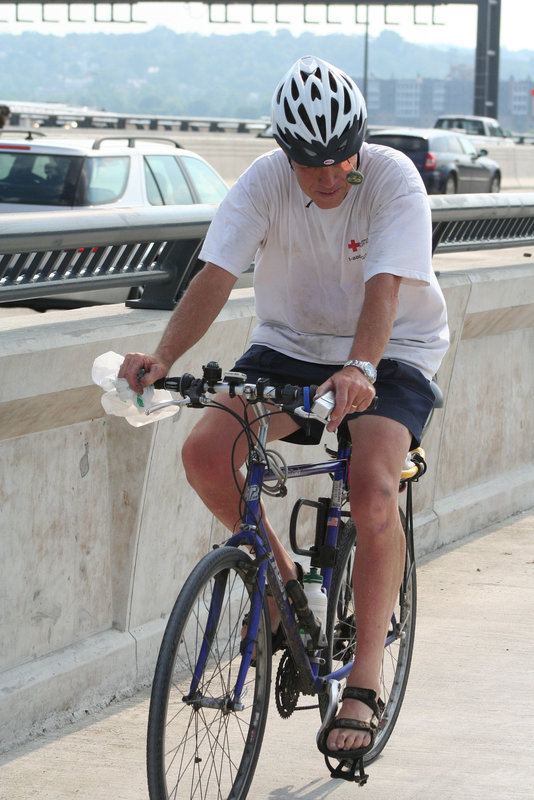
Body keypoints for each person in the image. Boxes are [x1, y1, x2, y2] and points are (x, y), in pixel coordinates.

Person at [119, 56, 449, 762]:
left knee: (371, 489)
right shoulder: (264, 183)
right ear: (282, 150)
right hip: (288, 345)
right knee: (206, 453)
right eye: (309, 161)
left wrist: (360, 369)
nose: (328, 174)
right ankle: (281, 585)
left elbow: (385, 287)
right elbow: (214, 274)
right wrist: (164, 358)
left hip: (391, 352)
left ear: (359, 140)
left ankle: (364, 678)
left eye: (339, 156)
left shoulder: (393, 179)